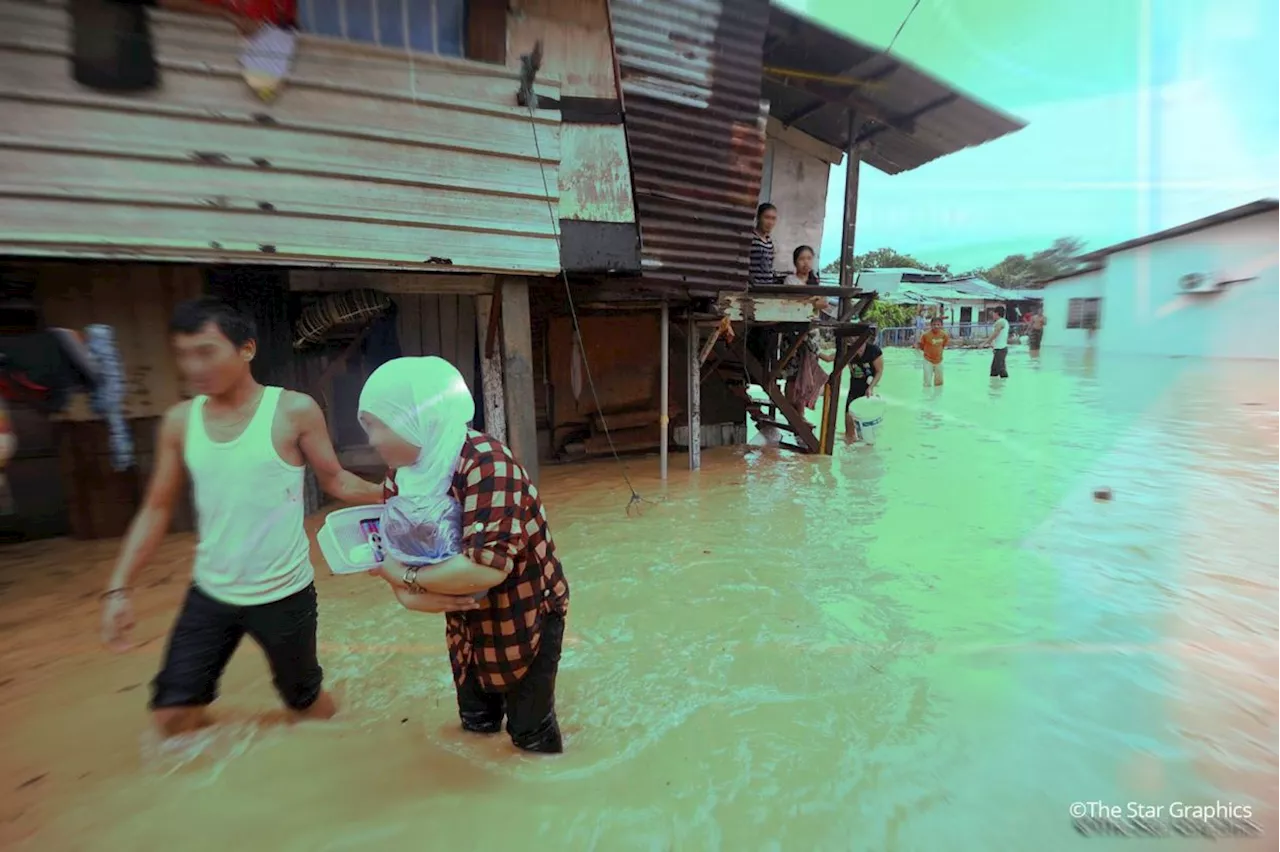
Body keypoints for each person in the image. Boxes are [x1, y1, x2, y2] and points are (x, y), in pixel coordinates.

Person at [100, 297, 383, 738]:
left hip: (284, 595)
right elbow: (155, 509)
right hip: (211, 593)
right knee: (171, 715)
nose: (193, 367)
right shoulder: (179, 422)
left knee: (305, 707)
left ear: (246, 349)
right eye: (183, 354)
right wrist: (119, 588)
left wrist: (404, 494)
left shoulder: (293, 410)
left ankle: (351, 748)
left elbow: (338, 482)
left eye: (206, 351)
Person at [361, 357, 571, 754]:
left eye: (380, 425)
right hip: (462, 612)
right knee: (477, 723)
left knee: (530, 736)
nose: (372, 440)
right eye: (368, 425)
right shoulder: (400, 475)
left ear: (416, 418)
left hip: (525, 609)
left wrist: (405, 581)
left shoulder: (487, 463)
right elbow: (398, 553)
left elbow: (486, 568)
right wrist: (404, 590)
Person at [843, 336, 884, 439]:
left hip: (868, 387)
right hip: (854, 387)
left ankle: (866, 441)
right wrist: (815, 351)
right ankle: (849, 442)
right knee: (848, 416)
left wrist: (870, 387)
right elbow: (830, 358)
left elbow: (879, 371)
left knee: (865, 419)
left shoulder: (873, 350)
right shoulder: (848, 350)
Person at [749, 203, 778, 288]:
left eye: (773, 219)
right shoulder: (751, 238)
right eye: (767, 217)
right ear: (758, 218)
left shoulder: (769, 241)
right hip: (753, 288)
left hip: (767, 288)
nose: (770, 222)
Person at [917, 316, 950, 387]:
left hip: (939, 361)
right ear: (931, 325)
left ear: (941, 325)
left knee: (939, 383)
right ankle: (926, 396)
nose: (936, 326)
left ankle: (938, 397)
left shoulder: (944, 335)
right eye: (934, 324)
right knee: (927, 382)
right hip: (928, 361)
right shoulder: (925, 335)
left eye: (938, 325)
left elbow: (944, 345)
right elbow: (921, 346)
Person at [982, 306, 1010, 378]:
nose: (992, 315)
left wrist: (985, 343)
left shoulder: (1001, 322)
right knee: (997, 371)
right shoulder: (1002, 322)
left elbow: (995, 333)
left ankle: (997, 387)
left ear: (996, 313)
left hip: (1000, 349)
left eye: (993, 313)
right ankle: (999, 387)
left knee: (998, 371)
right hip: (999, 349)